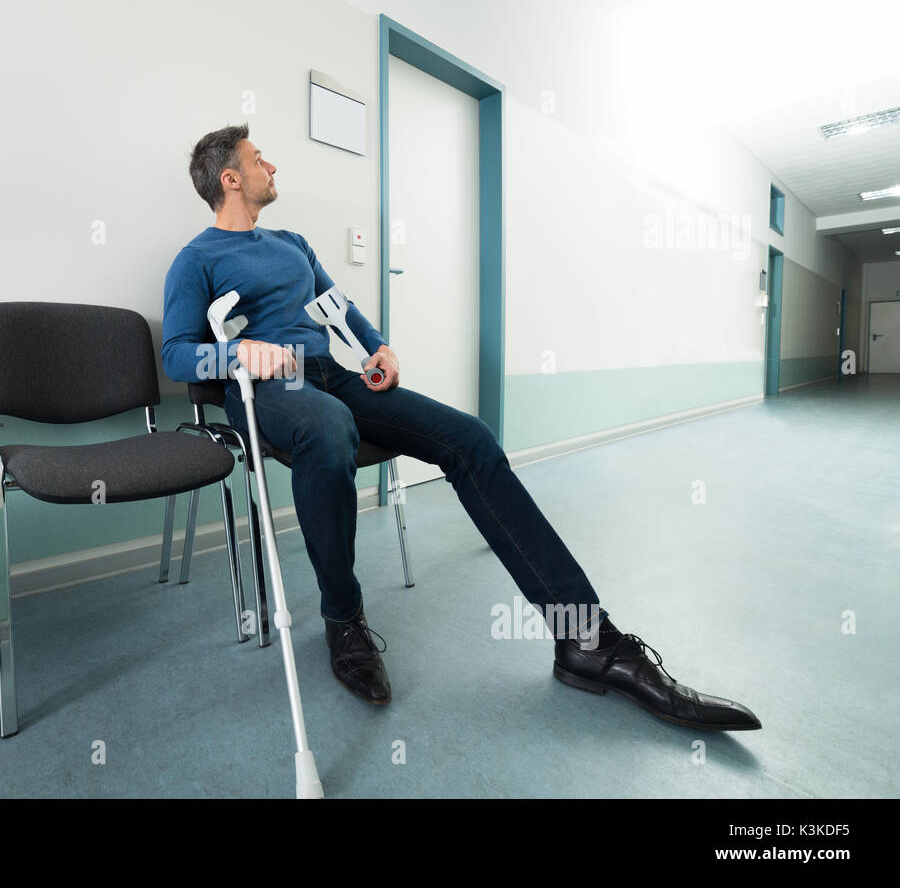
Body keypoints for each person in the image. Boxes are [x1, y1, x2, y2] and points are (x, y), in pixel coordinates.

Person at [161, 123, 760, 732]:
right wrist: (238, 356)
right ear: (229, 179)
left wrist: (378, 346)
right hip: (267, 387)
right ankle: (343, 620)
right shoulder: (197, 259)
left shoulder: (292, 242)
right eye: (259, 160)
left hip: (331, 374)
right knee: (330, 427)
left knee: (469, 436)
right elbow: (176, 354)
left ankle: (586, 638)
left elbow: (337, 307)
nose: (273, 167)